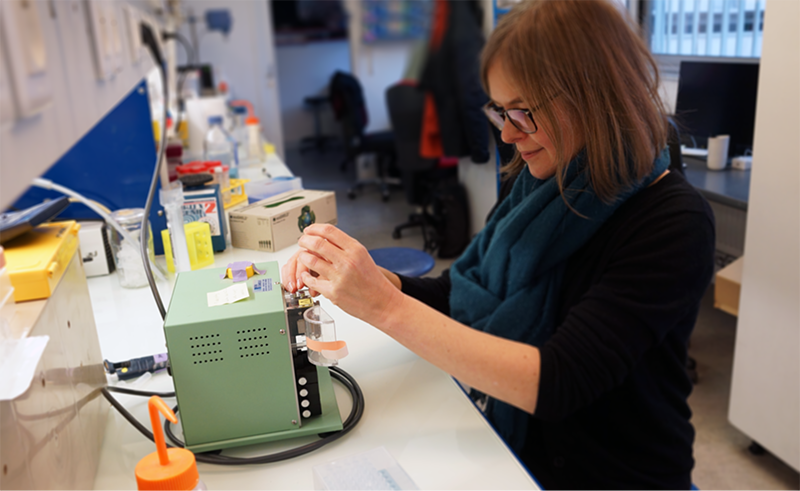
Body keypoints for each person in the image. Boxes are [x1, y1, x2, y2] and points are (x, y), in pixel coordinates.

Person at [282, 0, 715, 489]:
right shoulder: (537, 183)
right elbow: (464, 294)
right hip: (514, 449)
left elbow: (559, 381)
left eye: (524, 112)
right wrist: (377, 282)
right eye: (500, 111)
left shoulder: (672, 220)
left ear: (594, 97)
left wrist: (385, 307)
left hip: (615, 473)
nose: (508, 134)